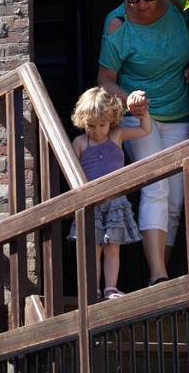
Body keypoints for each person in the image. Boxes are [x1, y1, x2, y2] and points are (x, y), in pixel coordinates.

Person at [97, 0, 189, 286]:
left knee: (175, 197)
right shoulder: (118, 25)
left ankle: (160, 279)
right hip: (138, 116)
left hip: (178, 112)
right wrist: (128, 99)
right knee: (156, 185)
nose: (141, 4)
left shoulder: (176, 3)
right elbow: (105, 80)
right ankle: (158, 276)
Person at [69, 86, 152, 299]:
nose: (97, 130)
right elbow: (70, 171)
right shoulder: (80, 143)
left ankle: (110, 288)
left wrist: (142, 111)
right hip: (92, 204)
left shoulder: (117, 135)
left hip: (115, 203)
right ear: (82, 121)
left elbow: (145, 130)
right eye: (91, 125)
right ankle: (93, 289)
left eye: (102, 124)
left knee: (112, 248)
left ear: (111, 120)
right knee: (93, 248)